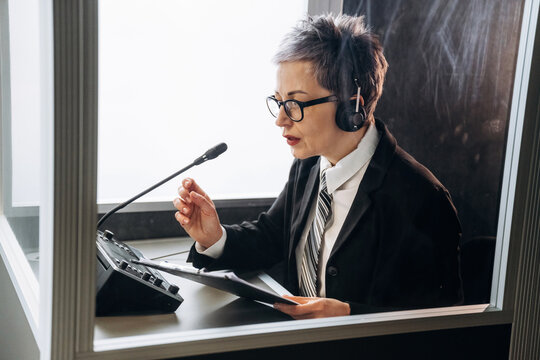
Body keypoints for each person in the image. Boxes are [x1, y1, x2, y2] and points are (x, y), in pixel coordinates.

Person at [173, 14, 463, 319]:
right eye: (278, 101)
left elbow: (439, 323)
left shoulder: (421, 198)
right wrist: (213, 237)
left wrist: (350, 316)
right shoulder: (310, 165)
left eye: (295, 105)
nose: (280, 119)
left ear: (352, 106)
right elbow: (272, 237)